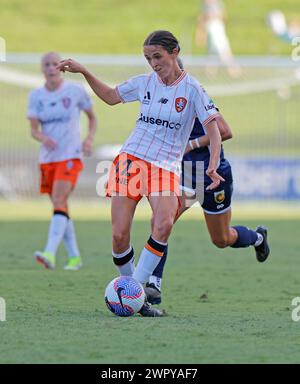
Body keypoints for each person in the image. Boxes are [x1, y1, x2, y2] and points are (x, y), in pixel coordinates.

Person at [57, 30, 224, 317]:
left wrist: (212, 163)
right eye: (148, 58)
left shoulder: (193, 90)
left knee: (164, 224)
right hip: (132, 160)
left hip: (165, 167)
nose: (153, 63)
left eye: (157, 57)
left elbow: (215, 129)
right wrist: (84, 71)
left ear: (175, 53)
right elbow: (110, 97)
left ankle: (133, 291)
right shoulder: (144, 83)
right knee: (120, 236)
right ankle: (138, 298)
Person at [145, 97, 270, 305]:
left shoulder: (196, 96)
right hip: (184, 175)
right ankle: (154, 286)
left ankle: (258, 238)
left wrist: (191, 144)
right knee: (159, 222)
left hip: (213, 177)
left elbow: (225, 131)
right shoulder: (159, 100)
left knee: (221, 239)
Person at [27, 52, 97, 271]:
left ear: (61, 67)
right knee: (61, 206)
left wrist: (88, 139)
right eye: (46, 64)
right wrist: (43, 137)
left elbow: (92, 117)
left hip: (70, 155)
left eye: (54, 64)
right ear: (42, 69)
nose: (50, 68)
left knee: (59, 199)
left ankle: (49, 252)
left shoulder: (75, 91)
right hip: (48, 159)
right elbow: (33, 130)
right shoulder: (36, 96)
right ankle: (75, 257)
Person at [196, 0, 241, 78]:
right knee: (212, 54)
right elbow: (202, 19)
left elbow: (223, 17)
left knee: (224, 53)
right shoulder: (204, 5)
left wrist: (213, 17)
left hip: (217, 30)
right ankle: (210, 75)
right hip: (210, 30)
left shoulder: (217, 4)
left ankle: (235, 73)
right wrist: (201, 33)